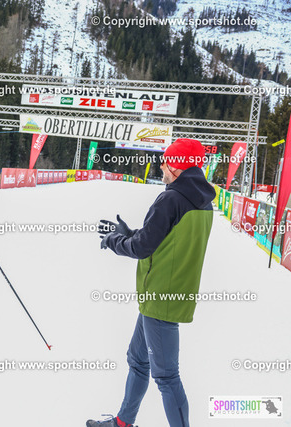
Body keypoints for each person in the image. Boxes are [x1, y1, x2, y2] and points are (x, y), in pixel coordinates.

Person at [88, 138, 215, 427]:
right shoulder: (202, 201)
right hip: (166, 293)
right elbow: (163, 239)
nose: (162, 166)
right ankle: (123, 422)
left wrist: (114, 241)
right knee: (137, 360)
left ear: (178, 166)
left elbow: (143, 248)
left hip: (160, 297)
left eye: (166, 161)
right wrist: (130, 232)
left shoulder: (170, 199)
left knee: (167, 377)